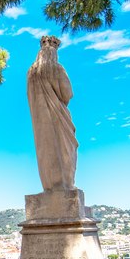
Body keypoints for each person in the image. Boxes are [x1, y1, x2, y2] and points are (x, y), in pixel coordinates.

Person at [26, 35, 78, 191]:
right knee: (65, 150)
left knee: (45, 151)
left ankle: (50, 187)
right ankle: (66, 186)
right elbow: (67, 94)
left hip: (39, 119)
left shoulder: (31, 72)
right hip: (59, 117)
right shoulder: (57, 68)